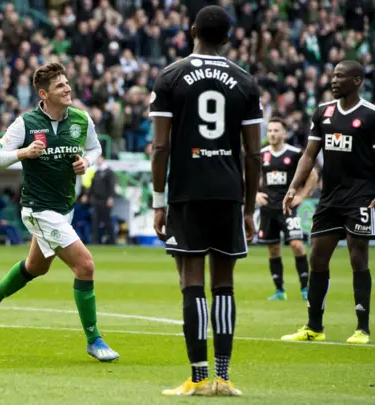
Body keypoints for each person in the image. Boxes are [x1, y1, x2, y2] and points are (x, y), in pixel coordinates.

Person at [149, 5, 262, 396]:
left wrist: (158, 200)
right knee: (225, 284)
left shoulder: (171, 77)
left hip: (187, 191)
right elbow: (253, 154)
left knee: (191, 282)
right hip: (229, 192)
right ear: (228, 38)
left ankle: (198, 379)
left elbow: (160, 146)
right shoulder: (246, 82)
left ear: (192, 29)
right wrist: (249, 208)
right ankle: (225, 378)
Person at [0, 62, 119, 362]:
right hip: (38, 210)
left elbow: (95, 150)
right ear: (44, 94)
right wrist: (23, 153)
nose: (68, 88)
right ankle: (94, 339)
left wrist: (88, 163)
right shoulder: (25, 123)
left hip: (64, 208)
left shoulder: (81, 120)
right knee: (85, 266)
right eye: (60, 86)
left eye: (67, 83)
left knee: (37, 267)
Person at [281, 60, 375, 345]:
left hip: (361, 199)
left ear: (357, 81)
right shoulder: (322, 113)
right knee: (317, 257)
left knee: (358, 258)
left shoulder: (373, 115)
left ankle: (362, 328)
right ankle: (314, 327)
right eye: (332, 75)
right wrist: (294, 186)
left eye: (340, 76)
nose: (333, 80)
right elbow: (308, 154)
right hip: (329, 199)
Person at [257, 118, 318, 301]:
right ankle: (279, 290)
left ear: (284, 133)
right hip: (268, 209)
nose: (272, 134)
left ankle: (305, 289)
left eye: (276, 131)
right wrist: (254, 195)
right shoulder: (262, 154)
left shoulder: (294, 153)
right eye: (269, 131)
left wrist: (301, 196)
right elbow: (247, 175)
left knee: (296, 245)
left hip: (289, 209)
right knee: (273, 249)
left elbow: (313, 175)